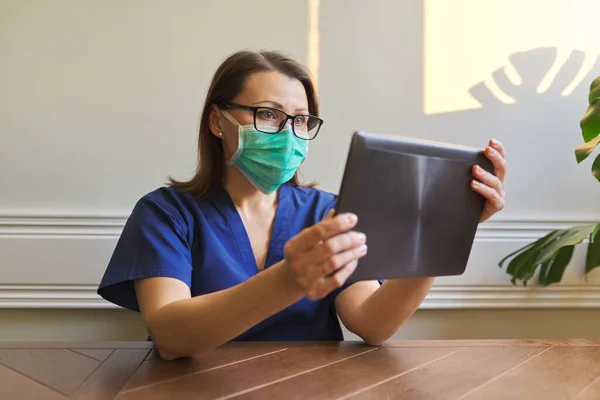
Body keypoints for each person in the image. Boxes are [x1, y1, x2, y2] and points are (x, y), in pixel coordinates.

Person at [97, 50, 507, 360]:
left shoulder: (329, 213)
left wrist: (444, 228)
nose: (288, 134)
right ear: (217, 121)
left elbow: (373, 323)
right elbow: (170, 336)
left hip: (313, 386)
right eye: (268, 115)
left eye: (300, 120)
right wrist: (288, 280)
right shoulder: (166, 214)